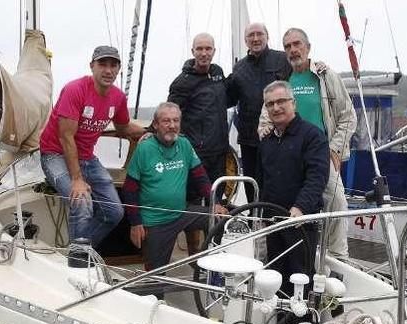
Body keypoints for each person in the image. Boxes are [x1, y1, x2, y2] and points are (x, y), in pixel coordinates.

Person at [259, 27, 357, 259]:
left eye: (297, 44)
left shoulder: (325, 76)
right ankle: (272, 257)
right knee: (278, 205)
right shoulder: (283, 80)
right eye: (287, 46)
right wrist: (266, 133)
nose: (293, 50)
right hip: (289, 153)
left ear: (308, 47)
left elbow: (348, 116)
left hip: (320, 152)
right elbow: (265, 120)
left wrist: (334, 148)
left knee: (336, 204)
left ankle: (338, 259)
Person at [39, 45, 145, 247]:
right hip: (55, 154)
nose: (108, 70)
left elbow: (123, 128)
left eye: (113, 65)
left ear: (118, 69)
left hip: (86, 157)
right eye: (102, 64)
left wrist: (149, 132)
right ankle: (77, 261)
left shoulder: (118, 97)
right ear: (92, 66)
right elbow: (65, 136)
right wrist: (77, 179)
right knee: (82, 202)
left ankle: (80, 251)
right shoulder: (75, 90)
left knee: (114, 212)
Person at [122, 102, 227, 272]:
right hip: (156, 221)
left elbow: (200, 177)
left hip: (182, 213)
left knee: (219, 218)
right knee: (155, 278)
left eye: (176, 121)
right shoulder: (145, 148)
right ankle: (155, 293)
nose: (172, 126)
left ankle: (208, 265)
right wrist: (135, 223)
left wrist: (214, 202)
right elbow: (129, 188)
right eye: (166, 121)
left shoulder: (184, 144)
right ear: (155, 125)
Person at [258, 81, 329, 297]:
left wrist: (300, 207)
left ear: (293, 103)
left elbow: (317, 177)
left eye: (281, 102)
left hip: (300, 222)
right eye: (270, 104)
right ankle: (281, 323)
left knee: (301, 277)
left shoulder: (313, 136)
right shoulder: (267, 140)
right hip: (273, 221)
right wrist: (260, 213)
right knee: (276, 275)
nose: (276, 108)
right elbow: (264, 179)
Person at [226, 22, 291, 202]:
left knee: (278, 186)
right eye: (251, 35)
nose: (255, 38)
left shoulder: (282, 59)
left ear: (267, 36)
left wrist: (318, 66)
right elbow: (227, 98)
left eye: (259, 34)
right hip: (249, 141)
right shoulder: (239, 68)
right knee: (251, 188)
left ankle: (276, 224)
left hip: (279, 137)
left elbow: (302, 74)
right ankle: (256, 222)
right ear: (246, 40)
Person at [167, 32, 230, 200]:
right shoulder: (182, 82)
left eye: (208, 48)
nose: (204, 53)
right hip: (196, 153)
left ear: (214, 51)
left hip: (220, 150)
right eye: (199, 49)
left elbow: (224, 99)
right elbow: (169, 113)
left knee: (217, 197)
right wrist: (152, 131)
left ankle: (213, 227)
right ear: (193, 51)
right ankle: (193, 227)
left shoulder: (217, 72)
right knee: (194, 198)